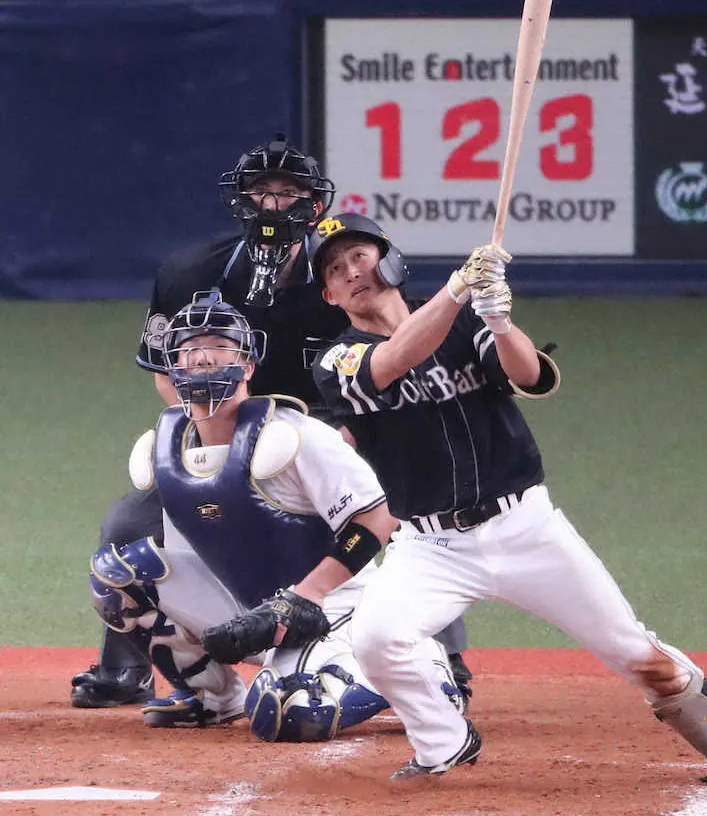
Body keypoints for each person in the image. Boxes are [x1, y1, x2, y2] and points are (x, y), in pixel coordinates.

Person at [305, 212, 707, 784]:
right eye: (335, 268)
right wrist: (455, 292)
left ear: (390, 259)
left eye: (359, 256)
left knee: (633, 652)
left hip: (524, 527)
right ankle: (444, 742)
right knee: (377, 641)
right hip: (431, 545)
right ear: (328, 294)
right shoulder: (334, 361)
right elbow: (391, 360)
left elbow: (527, 376)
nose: (352, 271)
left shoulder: (463, 323)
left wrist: (497, 321)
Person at [71, 136, 473, 710]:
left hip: (341, 422)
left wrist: (352, 432)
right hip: (225, 424)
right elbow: (166, 372)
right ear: (240, 199)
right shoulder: (190, 273)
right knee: (130, 521)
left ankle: (442, 661)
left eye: (290, 192)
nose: (274, 204)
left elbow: (387, 348)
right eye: (262, 191)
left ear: (314, 203)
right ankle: (127, 667)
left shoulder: (340, 272)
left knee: (411, 502)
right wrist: (211, 426)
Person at [88, 291, 463, 736]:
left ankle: (420, 673)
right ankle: (212, 697)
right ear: (173, 368)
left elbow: (379, 519)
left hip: (334, 613)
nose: (204, 358)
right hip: (250, 610)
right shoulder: (165, 452)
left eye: (218, 346)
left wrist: (303, 597)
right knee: (121, 576)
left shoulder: (294, 437)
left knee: (289, 714)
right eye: (190, 349)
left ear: (248, 365)